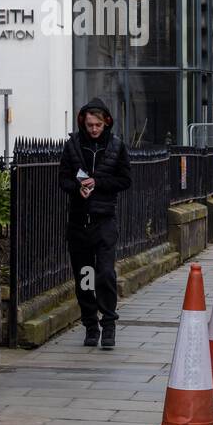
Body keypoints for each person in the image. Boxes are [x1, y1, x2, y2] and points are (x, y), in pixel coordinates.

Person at [57, 99, 132, 349]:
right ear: (83, 122)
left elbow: (125, 180)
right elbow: (63, 180)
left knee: (106, 274)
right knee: (85, 276)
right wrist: (79, 188)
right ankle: (91, 325)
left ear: (106, 122)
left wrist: (98, 184)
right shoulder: (73, 146)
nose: (93, 129)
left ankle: (109, 324)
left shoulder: (116, 146)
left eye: (98, 124)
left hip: (104, 220)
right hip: (79, 222)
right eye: (89, 124)